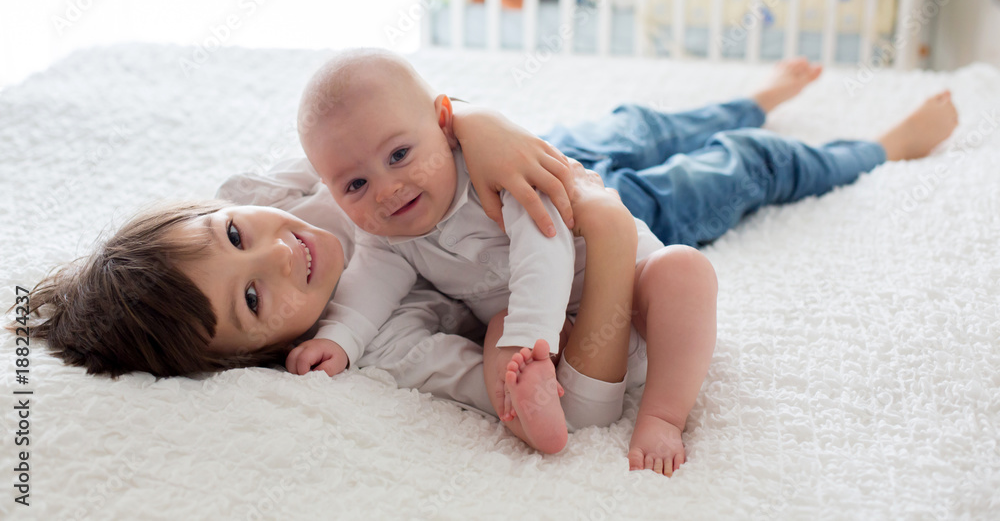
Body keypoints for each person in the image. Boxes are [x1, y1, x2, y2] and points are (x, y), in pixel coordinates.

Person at [7, 54, 959, 477]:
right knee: (737, 174)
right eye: (255, 297)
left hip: (529, 157)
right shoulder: (382, 336)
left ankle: (746, 96)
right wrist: (597, 235)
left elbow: (388, 118)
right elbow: (548, 387)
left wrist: (475, 126)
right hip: (596, 226)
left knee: (642, 121)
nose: (276, 248)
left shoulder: (284, 186)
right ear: (262, 348)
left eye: (228, 233)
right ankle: (876, 149)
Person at [294, 48, 717, 467]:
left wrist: (529, 331)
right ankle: (532, 413)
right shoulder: (386, 234)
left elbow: (545, 244)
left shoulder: (490, 173)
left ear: (444, 124)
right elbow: (368, 282)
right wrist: (340, 338)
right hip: (562, 345)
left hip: (635, 297)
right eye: (356, 185)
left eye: (399, 155)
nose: (387, 190)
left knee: (683, 271)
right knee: (500, 346)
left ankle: (663, 414)